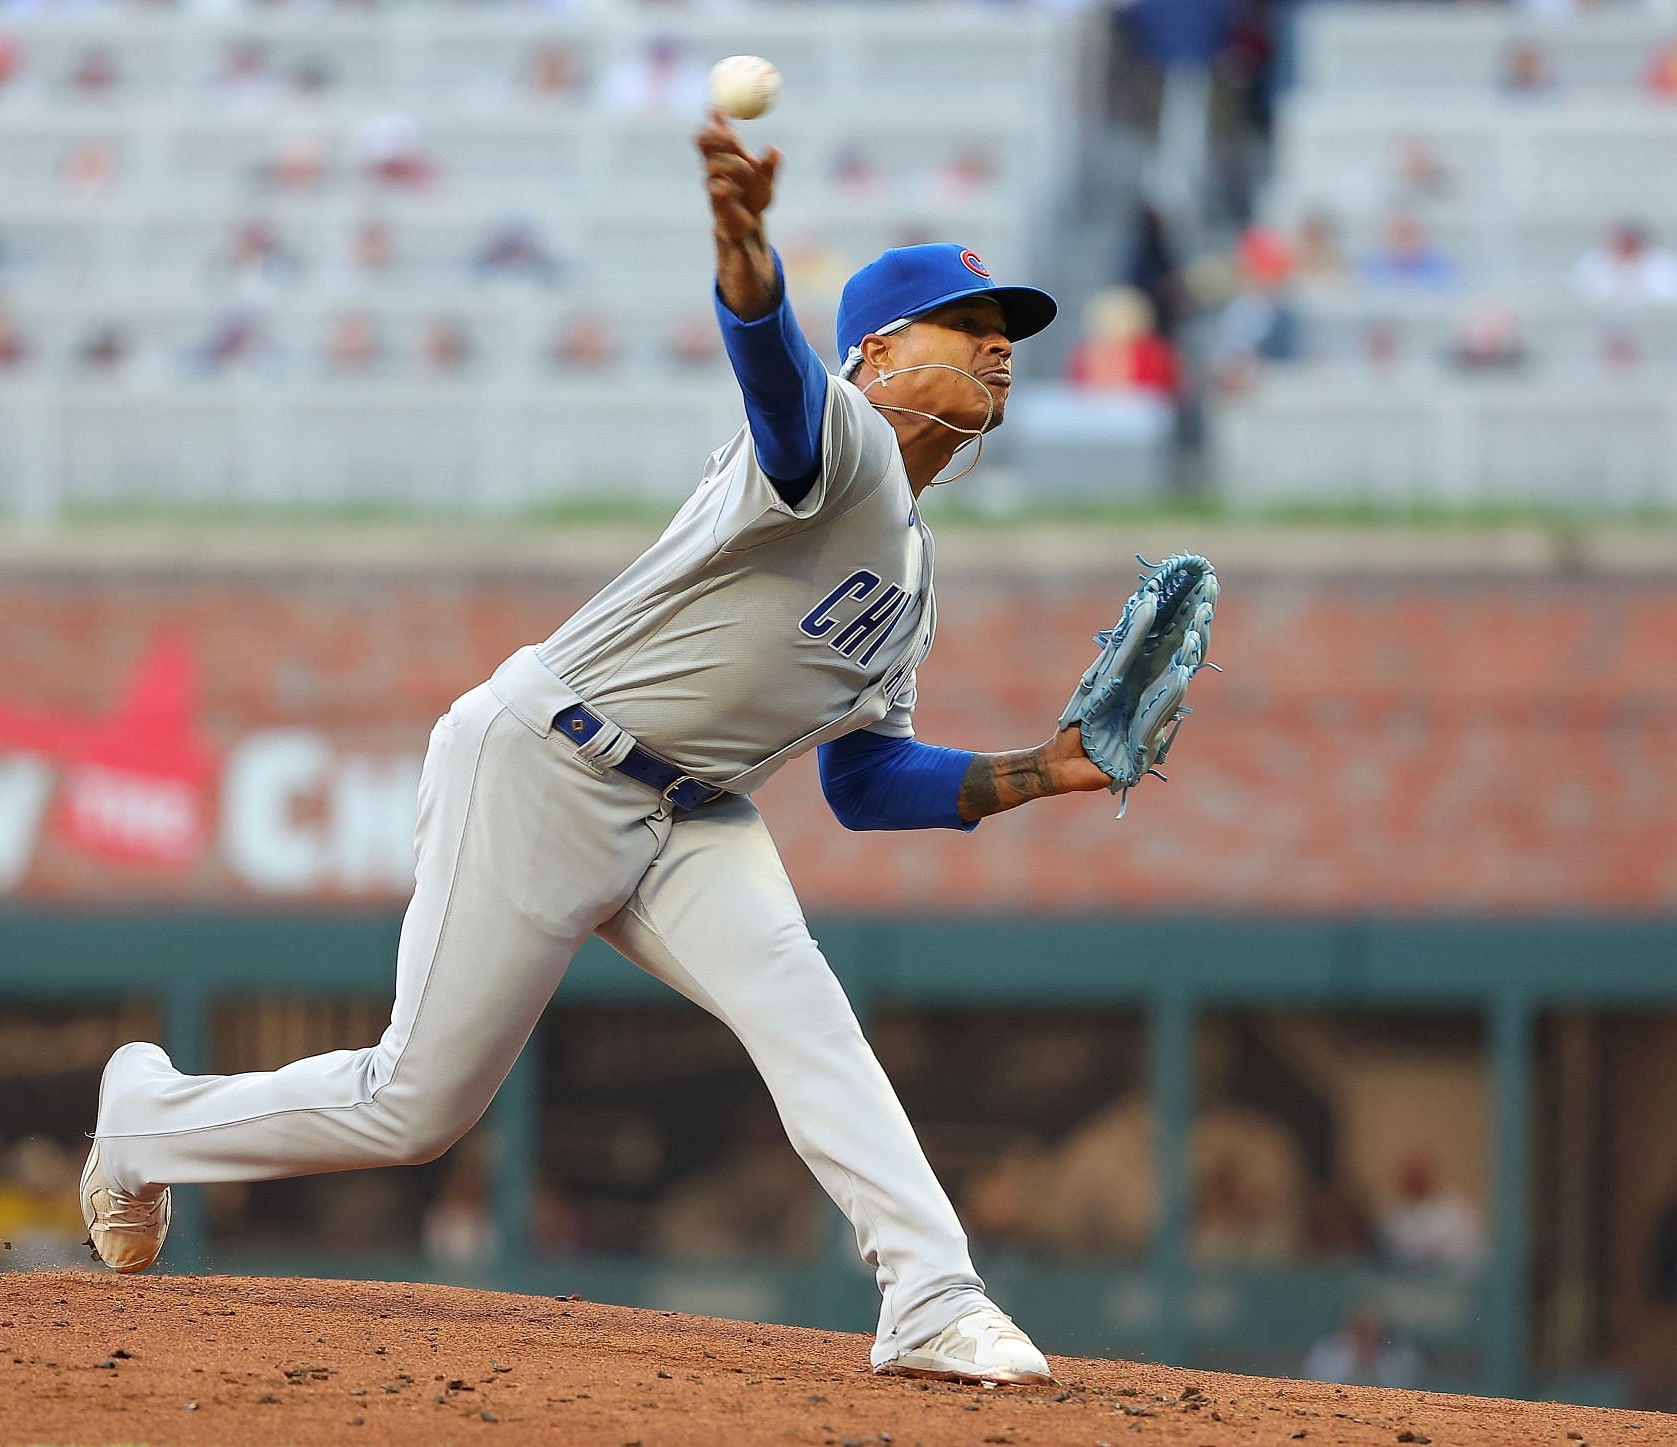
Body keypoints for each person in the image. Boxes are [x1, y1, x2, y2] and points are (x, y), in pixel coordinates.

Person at [82, 109, 1114, 1386]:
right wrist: (746, 253)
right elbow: (775, 377)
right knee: (415, 1109)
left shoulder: (913, 574)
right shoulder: (840, 443)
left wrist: (1032, 772)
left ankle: (931, 1295)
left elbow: (858, 779)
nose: (1001, 348)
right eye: (973, 327)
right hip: (545, 762)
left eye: (1008, 334)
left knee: (807, 1015)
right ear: (883, 353)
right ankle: (142, 1119)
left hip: (694, 816)